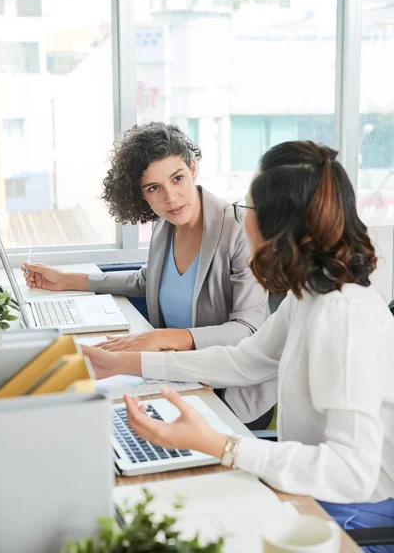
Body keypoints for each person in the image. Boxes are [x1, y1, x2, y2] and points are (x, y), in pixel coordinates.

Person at [82, 140, 394, 549]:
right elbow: (245, 361)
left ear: (275, 226)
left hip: (355, 506)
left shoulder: (343, 316)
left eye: (248, 209)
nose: (241, 220)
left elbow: (353, 472)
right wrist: (124, 363)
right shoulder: (309, 294)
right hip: (307, 479)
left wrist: (221, 445)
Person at [22, 122, 274, 426]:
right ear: (141, 194)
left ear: (192, 169)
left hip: (229, 391)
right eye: (154, 188)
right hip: (178, 377)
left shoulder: (237, 229)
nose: (170, 198)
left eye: (177, 178)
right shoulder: (164, 226)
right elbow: (147, 280)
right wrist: (67, 281)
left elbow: (248, 329)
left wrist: (161, 339)